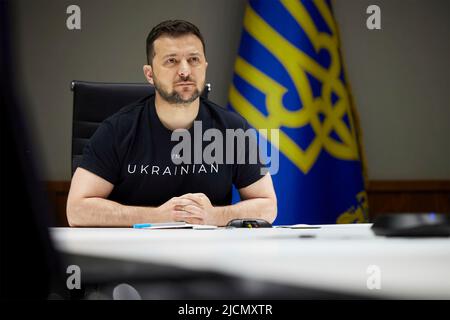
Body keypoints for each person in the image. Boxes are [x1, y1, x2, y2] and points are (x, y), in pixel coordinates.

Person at [66, 20, 277, 227]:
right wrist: (157, 216)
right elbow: (76, 210)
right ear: (149, 74)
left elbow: (268, 206)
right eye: (171, 61)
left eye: (193, 59)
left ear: (204, 66)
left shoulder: (232, 129)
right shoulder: (118, 129)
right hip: (133, 254)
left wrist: (215, 216)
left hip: (208, 254)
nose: (185, 71)